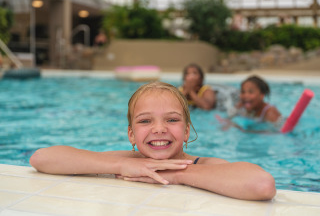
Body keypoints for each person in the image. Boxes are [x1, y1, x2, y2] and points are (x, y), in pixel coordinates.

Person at [30, 81, 276, 201]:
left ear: (187, 131)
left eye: (171, 120)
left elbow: (262, 184)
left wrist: (175, 174)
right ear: (131, 135)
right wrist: (120, 166)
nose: (159, 129)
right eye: (145, 121)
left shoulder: (205, 164)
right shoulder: (128, 160)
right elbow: (42, 158)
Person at [217, 75, 282, 132]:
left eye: (250, 92)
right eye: (243, 92)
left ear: (262, 95)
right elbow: (229, 117)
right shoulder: (242, 106)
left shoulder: (270, 112)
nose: (245, 96)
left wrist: (242, 129)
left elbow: (277, 133)